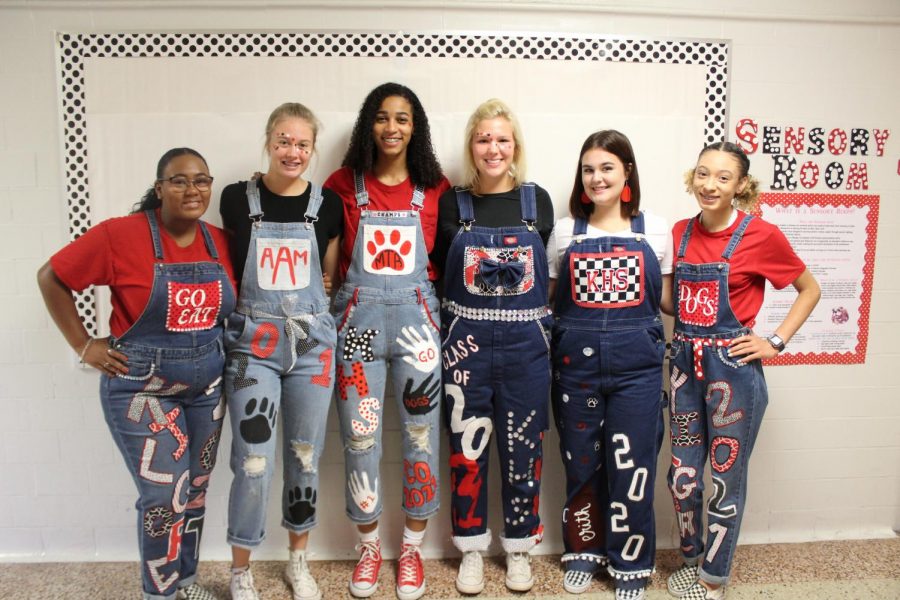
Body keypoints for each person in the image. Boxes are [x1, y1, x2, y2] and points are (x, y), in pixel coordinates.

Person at [37, 148, 236, 600]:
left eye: (201, 180)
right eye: (179, 180)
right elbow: (52, 277)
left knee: (196, 491)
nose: (192, 189)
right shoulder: (118, 235)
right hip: (143, 390)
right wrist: (83, 345)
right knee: (164, 497)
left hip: (207, 388)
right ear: (160, 187)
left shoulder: (220, 241)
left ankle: (185, 581)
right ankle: (159, 592)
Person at [665, 142, 820, 600]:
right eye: (703, 174)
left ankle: (714, 580)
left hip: (733, 373)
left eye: (723, 177)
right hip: (683, 370)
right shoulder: (679, 232)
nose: (710, 185)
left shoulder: (762, 235)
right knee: (682, 476)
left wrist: (774, 341)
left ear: (741, 186)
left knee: (724, 482)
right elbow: (674, 304)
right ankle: (694, 560)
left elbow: (809, 289)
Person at [324, 82, 450, 600]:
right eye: (381, 117)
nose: (391, 127)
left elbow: (443, 259)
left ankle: (413, 549)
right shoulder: (340, 183)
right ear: (367, 125)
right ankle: (370, 544)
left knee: (421, 436)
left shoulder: (435, 186)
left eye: (401, 118)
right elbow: (329, 259)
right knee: (361, 437)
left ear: (414, 126)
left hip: (419, 328)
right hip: (358, 329)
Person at [219, 103, 343, 600]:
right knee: (252, 459)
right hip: (253, 344)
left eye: (302, 144)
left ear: (312, 149)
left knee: (305, 456)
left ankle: (298, 561)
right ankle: (240, 568)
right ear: (269, 141)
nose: (293, 152)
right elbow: (227, 268)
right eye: (284, 141)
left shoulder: (327, 204)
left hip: (313, 345)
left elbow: (328, 277)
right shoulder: (234, 198)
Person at [431, 99, 555, 595]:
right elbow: (438, 271)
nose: (493, 148)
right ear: (471, 146)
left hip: (527, 349)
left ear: (515, 146)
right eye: (483, 139)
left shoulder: (537, 202)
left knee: (524, 449)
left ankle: (520, 548)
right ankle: (472, 551)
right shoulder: (451, 203)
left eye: (502, 139)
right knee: (466, 450)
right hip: (465, 349)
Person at [547, 130, 671, 600]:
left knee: (632, 468)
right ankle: (582, 553)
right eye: (588, 169)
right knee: (580, 465)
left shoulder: (656, 231)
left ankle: (632, 563)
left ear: (627, 172)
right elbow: (551, 302)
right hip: (575, 370)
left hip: (637, 371)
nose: (597, 178)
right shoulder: (563, 232)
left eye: (607, 168)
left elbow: (667, 301)